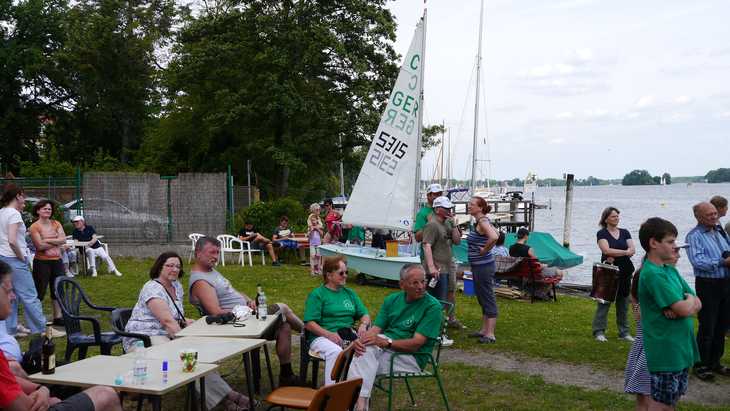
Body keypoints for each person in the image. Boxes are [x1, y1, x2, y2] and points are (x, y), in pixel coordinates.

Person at [124, 252, 249, 411]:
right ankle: (230, 398)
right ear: (159, 267)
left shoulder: (176, 286)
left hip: (167, 334)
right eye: (169, 265)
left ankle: (225, 399)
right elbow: (167, 321)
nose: (174, 269)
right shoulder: (152, 288)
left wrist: (185, 323)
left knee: (197, 356)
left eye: (177, 266)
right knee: (188, 357)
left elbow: (174, 317)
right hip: (145, 338)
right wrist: (186, 340)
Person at [0, 259, 123, 411]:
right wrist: (46, 398)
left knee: (82, 381)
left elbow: (9, 380)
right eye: (8, 291)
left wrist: (41, 389)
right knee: (105, 394)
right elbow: (22, 407)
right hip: (26, 395)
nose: (13, 297)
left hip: (26, 377)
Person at [188, 237, 304, 386]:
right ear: (198, 253)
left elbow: (234, 292)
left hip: (247, 319)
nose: (216, 257)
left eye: (218, 252)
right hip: (235, 325)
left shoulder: (211, 272)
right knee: (282, 308)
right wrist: (245, 309)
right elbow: (216, 312)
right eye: (212, 252)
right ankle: (310, 334)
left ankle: (286, 375)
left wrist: (249, 300)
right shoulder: (200, 281)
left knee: (285, 327)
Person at [347, 264, 442, 411]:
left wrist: (385, 342)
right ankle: (361, 405)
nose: (421, 287)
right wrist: (362, 341)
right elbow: (375, 330)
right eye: (414, 283)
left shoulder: (432, 307)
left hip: (413, 357)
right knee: (362, 351)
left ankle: (356, 405)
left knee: (358, 359)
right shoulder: (392, 300)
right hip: (386, 350)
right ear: (402, 285)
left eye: (423, 281)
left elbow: (416, 344)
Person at [638, 217, 701, 410]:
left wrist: (687, 303)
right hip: (666, 351)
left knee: (672, 400)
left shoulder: (669, 271)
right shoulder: (653, 274)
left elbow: (697, 301)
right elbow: (684, 308)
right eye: (671, 241)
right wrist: (685, 305)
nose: (676, 247)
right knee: (662, 404)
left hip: (680, 349)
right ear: (653, 243)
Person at [303, 255, 370, 386]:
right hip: (322, 337)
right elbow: (309, 323)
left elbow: (364, 314)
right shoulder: (318, 295)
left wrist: (363, 324)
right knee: (336, 352)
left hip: (346, 335)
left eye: (346, 272)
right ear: (329, 275)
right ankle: (332, 397)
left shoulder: (349, 293)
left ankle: (356, 394)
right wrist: (329, 334)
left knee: (364, 351)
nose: (345, 275)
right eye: (341, 273)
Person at [685, 202, 730, 381]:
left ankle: (715, 362)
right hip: (708, 284)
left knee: (722, 325)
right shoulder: (694, 236)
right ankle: (700, 364)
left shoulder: (720, 231)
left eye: (715, 213)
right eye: (709, 215)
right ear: (698, 217)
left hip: (726, 282)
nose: (714, 217)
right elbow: (698, 261)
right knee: (708, 326)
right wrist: (722, 262)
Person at [415, 184, 464, 330]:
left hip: (448, 262)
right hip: (435, 264)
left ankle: (449, 319)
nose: (436, 195)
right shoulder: (424, 215)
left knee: (450, 290)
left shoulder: (447, 220)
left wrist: (454, 224)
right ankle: (432, 326)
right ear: (428, 196)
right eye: (434, 193)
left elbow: (457, 240)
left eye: (439, 193)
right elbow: (423, 241)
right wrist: (430, 266)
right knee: (435, 297)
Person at [0, 184, 45, 337]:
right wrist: (21, 256)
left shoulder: (1, 212)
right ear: (18, 195)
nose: (24, 198)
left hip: (3, 258)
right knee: (30, 295)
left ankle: (10, 330)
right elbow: (12, 240)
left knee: (9, 294)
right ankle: (41, 329)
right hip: (14, 258)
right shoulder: (14, 214)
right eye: (23, 196)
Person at [592, 207, 636, 342]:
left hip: (625, 271)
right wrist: (624, 252)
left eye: (617, 216)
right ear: (606, 219)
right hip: (608, 272)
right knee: (604, 301)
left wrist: (617, 252)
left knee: (623, 303)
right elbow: (606, 250)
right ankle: (599, 331)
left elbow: (632, 249)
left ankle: (624, 332)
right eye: (613, 216)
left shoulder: (625, 232)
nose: (616, 218)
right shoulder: (602, 233)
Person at [466, 196, 499, 344]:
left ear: (480, 208)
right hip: (479, 265)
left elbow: (493, 237)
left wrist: (484, 250)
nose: (469, 206)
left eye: (472, 204)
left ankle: (490, 334)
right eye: (469, 204)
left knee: (487, 296)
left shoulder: (482, 221)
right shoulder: (480, 221)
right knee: (482, 296)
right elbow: (495, 235)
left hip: (483, 266)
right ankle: (484, 330)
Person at [29, 200, 67, 327]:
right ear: (38, 211)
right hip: (42, 263)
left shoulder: (56, 223)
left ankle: (58, 317)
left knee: (57, 289)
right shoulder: (34, 227)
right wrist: (56, 240)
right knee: (40, 290)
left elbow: (63, 239)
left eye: (49, 209)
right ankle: (37, 318)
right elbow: (39, 246)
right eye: (44, 209)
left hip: (57, 261)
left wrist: (48, 239)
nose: (47, 211)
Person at [307, 204, 324, 276]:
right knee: (312, 255)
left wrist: (317, 228)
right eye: (317, 210)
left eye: (319, 210)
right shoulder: (310, 218)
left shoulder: (319, 220)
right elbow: (309, 234)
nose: (319, 211)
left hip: (318, 242)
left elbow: (321, 231)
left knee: (318, 255)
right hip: (312, 243)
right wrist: (312, 229)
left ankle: (318, 269)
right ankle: (312, 270)